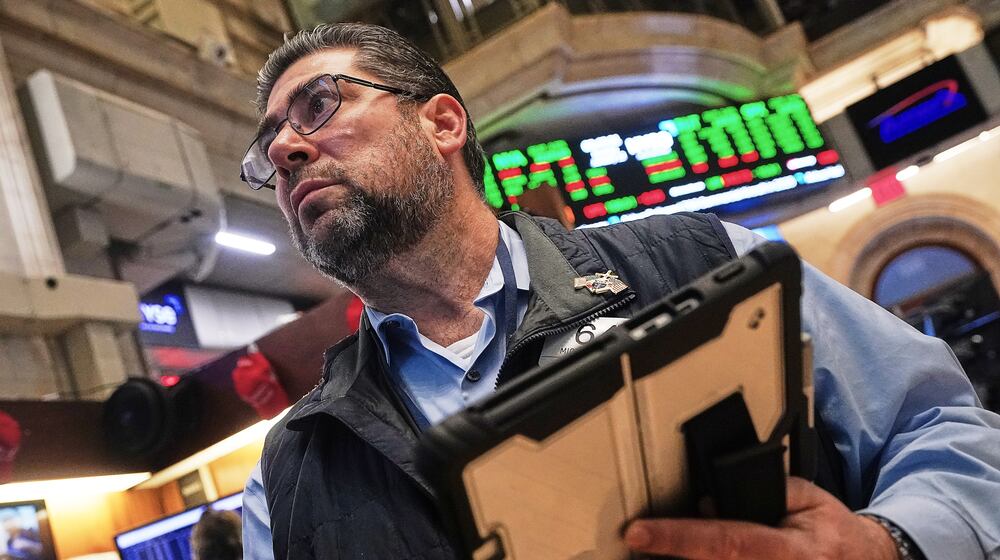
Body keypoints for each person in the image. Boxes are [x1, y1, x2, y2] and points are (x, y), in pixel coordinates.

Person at [239, 23, 1000, 559]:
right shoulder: (287, 479)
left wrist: (888, 542)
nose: (284, 149)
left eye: (319, 104)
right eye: (269, 149)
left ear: (441, 121)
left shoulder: (702, 261)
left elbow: (942, 429)